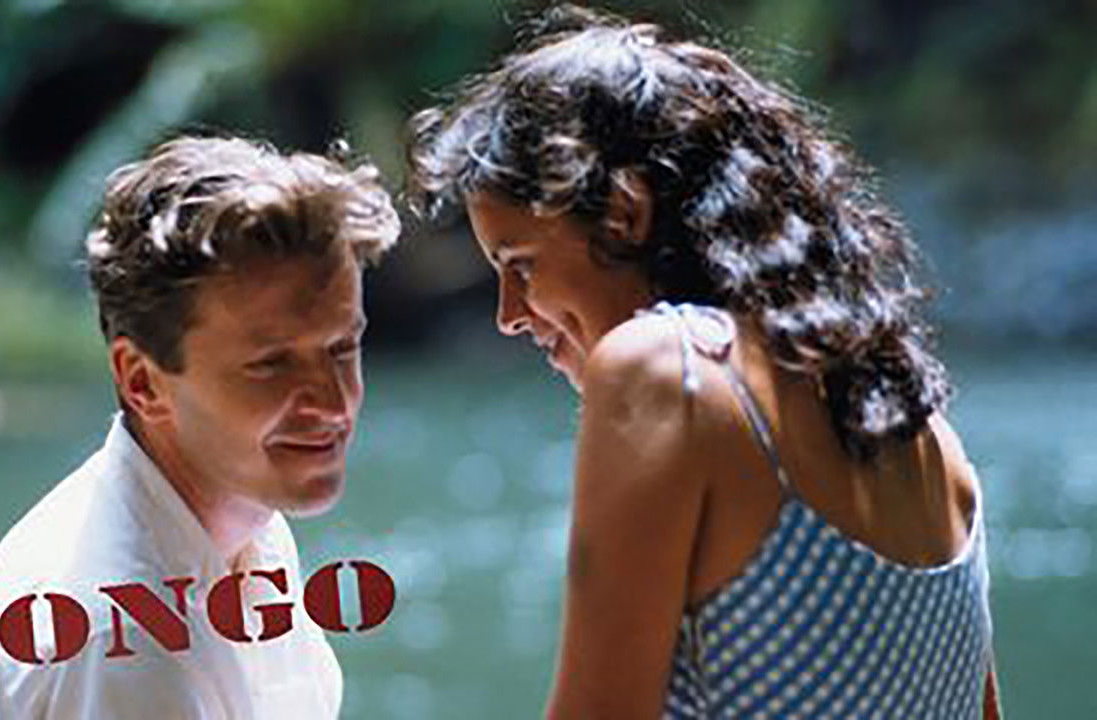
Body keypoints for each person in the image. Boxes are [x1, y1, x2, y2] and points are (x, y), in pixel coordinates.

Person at [407, 5, 999, 718]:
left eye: (522, 264)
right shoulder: (923, 435)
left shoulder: (667, 370)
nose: (508, 314)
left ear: (624, 213)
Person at [0, 135, 399, 718]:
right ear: (142, 382)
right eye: (271, 364)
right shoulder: (128, 645)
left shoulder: (239, 522)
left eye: (343, 348)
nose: (334, 401)